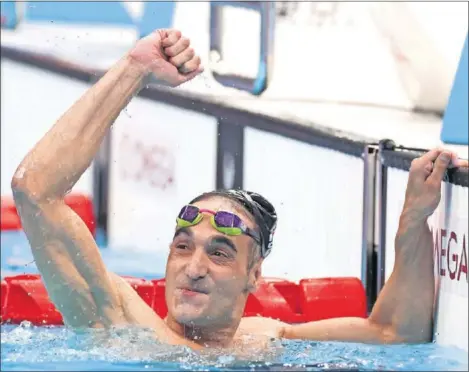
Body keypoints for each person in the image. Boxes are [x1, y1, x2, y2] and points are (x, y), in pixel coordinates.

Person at [11, 28, 468, 351]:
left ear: (255, 275)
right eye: (182, 247)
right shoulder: (122, 326)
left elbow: (395, 333)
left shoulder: (263, 339)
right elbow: (34, 191)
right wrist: (134, 70)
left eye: (221, 253)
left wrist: (413, 219)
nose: (193, 268)